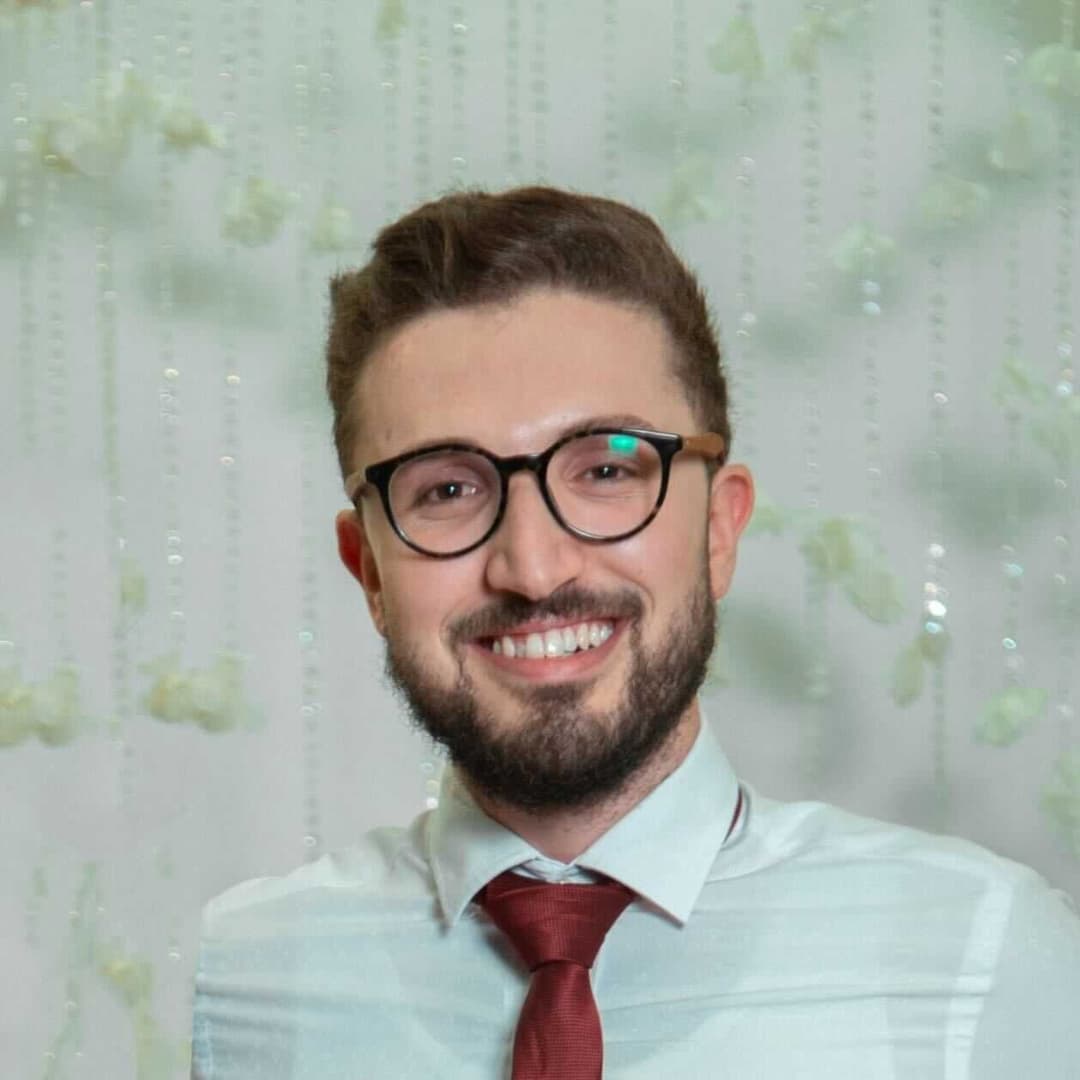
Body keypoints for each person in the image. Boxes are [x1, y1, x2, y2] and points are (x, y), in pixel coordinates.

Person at [191, 186, 1080, 1079]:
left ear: (719, 529)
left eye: (607, 470)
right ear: (371, 573)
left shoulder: (983, 955)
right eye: (447, 489)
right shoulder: (248, 979)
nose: (534, 569)